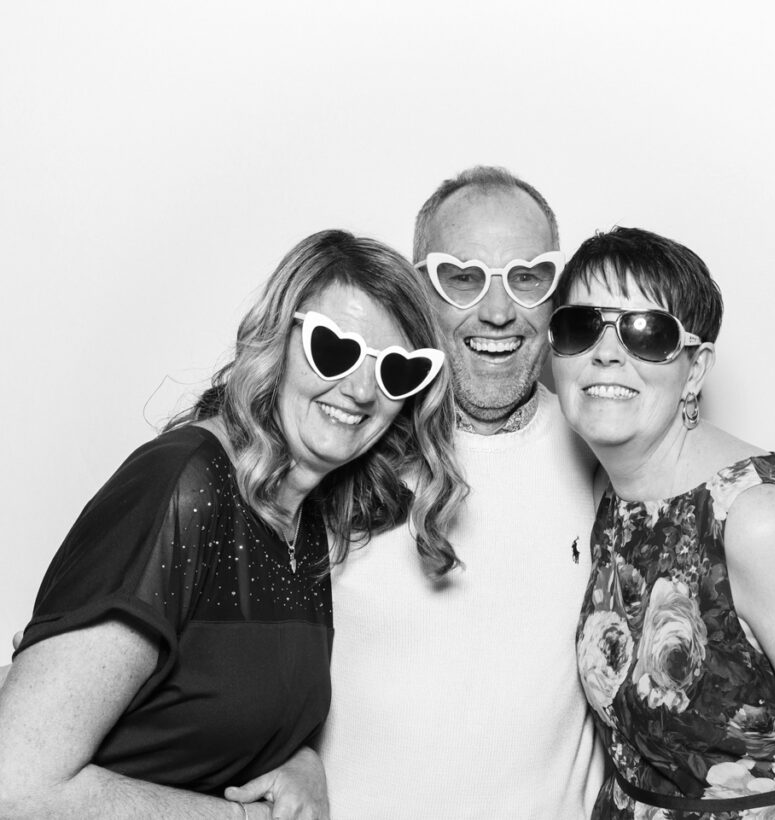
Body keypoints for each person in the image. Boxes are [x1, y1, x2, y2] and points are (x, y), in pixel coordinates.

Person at [0, 229, 465, 819]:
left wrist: (302, 760)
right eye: (335, 349)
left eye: (396, 371)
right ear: (277, 339)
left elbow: (217, 699)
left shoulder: (308, 516)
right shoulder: (185, 485)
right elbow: (14, 785)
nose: (360, 389)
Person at [550, 227, 775, 819]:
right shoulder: (613, 495)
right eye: (583, 327)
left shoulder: (756, 520)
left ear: (694, 370)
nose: (607, 353)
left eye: (646, 333)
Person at [315, 167, 606, 817]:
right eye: (463, 277)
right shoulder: (347, 445)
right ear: (420, 293)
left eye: (527, 277)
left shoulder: (607, 454)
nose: (498, 311)